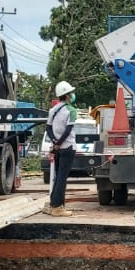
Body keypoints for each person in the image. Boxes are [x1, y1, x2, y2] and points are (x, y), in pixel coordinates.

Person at [46, 80, 77, 216]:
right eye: (71, 93)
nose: (72, 95)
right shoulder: (71, 110)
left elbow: (48, 128)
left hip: (57, 148)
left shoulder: (53, 110)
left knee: (58, 176)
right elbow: (68, 130)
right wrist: (60, 142)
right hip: (68, 147)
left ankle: (55, 203)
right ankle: (57, 206)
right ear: (67, 95)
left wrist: (55, 142)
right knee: (62, 178)